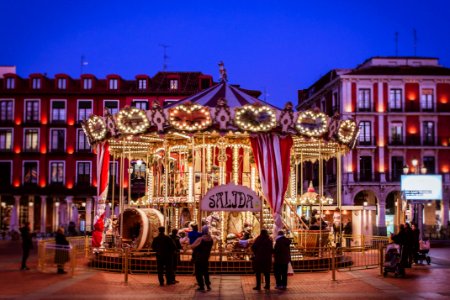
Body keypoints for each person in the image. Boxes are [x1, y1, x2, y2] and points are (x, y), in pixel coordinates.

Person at [191, 225, 213, 292]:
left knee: (198, 273)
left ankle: (201, 286)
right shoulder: (211, 239)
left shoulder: (200, 239)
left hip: (199, 257)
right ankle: (208, 285)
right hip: (206, 257)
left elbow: (193, 246)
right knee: (206, 272)